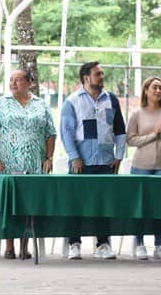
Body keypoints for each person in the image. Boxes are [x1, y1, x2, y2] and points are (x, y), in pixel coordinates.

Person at [0, 69, 56, 259]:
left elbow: (51, 134)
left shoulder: (41, 105)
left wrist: (49, 157)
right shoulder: (2, 104)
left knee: (29, 204)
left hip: (35, 164)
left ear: (29, 83)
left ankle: (25, 244)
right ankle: (9, 244)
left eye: (18, 80)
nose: (13, 83)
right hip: (8, 164)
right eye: (11, 80)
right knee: (11, 203)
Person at [60, 61, 126, 260]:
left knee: (104, 205)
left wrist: (119, 156)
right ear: (86, 78)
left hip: (106, 163)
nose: (102, 77)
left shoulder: (111, 100)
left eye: (102, 74)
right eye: (98, 74)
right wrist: (75, 157)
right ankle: (74, 243)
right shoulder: (72, 101)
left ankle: (103, 244)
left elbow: (120, 130)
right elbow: (66, 133)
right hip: (81, 164)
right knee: (75, 205)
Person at [126, 77, 161, 261]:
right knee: (140, 207)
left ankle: (159, 245)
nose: (158, 91)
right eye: (155, 87)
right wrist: (152, 135)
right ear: (146, 90)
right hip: (141, 166)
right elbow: (131, 140)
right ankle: (139, 243)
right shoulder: (136, 113)